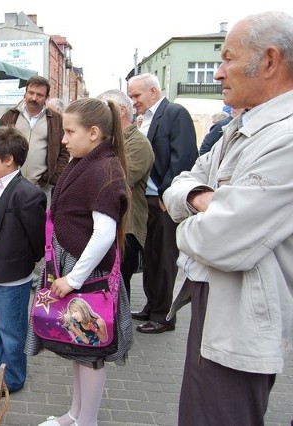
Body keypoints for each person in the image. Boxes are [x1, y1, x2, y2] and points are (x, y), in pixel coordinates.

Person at [163, 12, 293, 425]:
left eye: (227, 59)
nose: (217, 74)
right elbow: (181, 182)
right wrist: (203, 197)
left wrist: (185, 218)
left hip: (240, 323)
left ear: (270, 61)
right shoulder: (243, 126)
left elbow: (221, 239)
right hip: (217, 307)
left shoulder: (284, 138)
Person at [26, 98, 132, 426]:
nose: (63, 138)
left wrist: (72, 279)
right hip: (75, 266)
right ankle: (76, 414)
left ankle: (88, 421)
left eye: (70, 131)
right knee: (79, 347)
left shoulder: (104, 170)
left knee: (90, 352)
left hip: (87, 274)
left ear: (95, 133)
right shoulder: (89, 160)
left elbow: (104, 234)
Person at [0, 126, 46, 394]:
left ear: (8, 160)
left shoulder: (27, 193)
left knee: (12, 329)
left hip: (12, 275)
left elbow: (38, 238)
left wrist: (24, 262)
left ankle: (13, 377)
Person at [127, 73, 198, 334]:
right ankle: (152, 305)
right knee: (151, 257)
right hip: (149, 200)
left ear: (154, 92)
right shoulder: (147, 118)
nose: (134, 101)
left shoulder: (175, 113)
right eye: (131, 96)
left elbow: (184, 158)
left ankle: (164, 316)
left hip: (164, 201)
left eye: (137, 95)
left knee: (165, 258)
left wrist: (170, 195)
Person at [97, 89, 154, 301]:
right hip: (113, 225)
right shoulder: (112, 141)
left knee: (119, 289)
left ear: (121, 111)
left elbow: (115, 182)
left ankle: (121, 333)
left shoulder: (138, 143)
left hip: (127, 229)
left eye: (103, 107)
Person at [0, 76, 69, 201]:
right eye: (30, 93)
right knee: (12, 220)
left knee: (39, 220)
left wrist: (53, 178)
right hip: (11, 184)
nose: (34, 98)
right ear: (25, 93)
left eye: (39, 95)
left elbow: (65, 150)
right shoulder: (10, 116)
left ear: (46, 97)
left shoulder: (56, 120)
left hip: (41, 186)